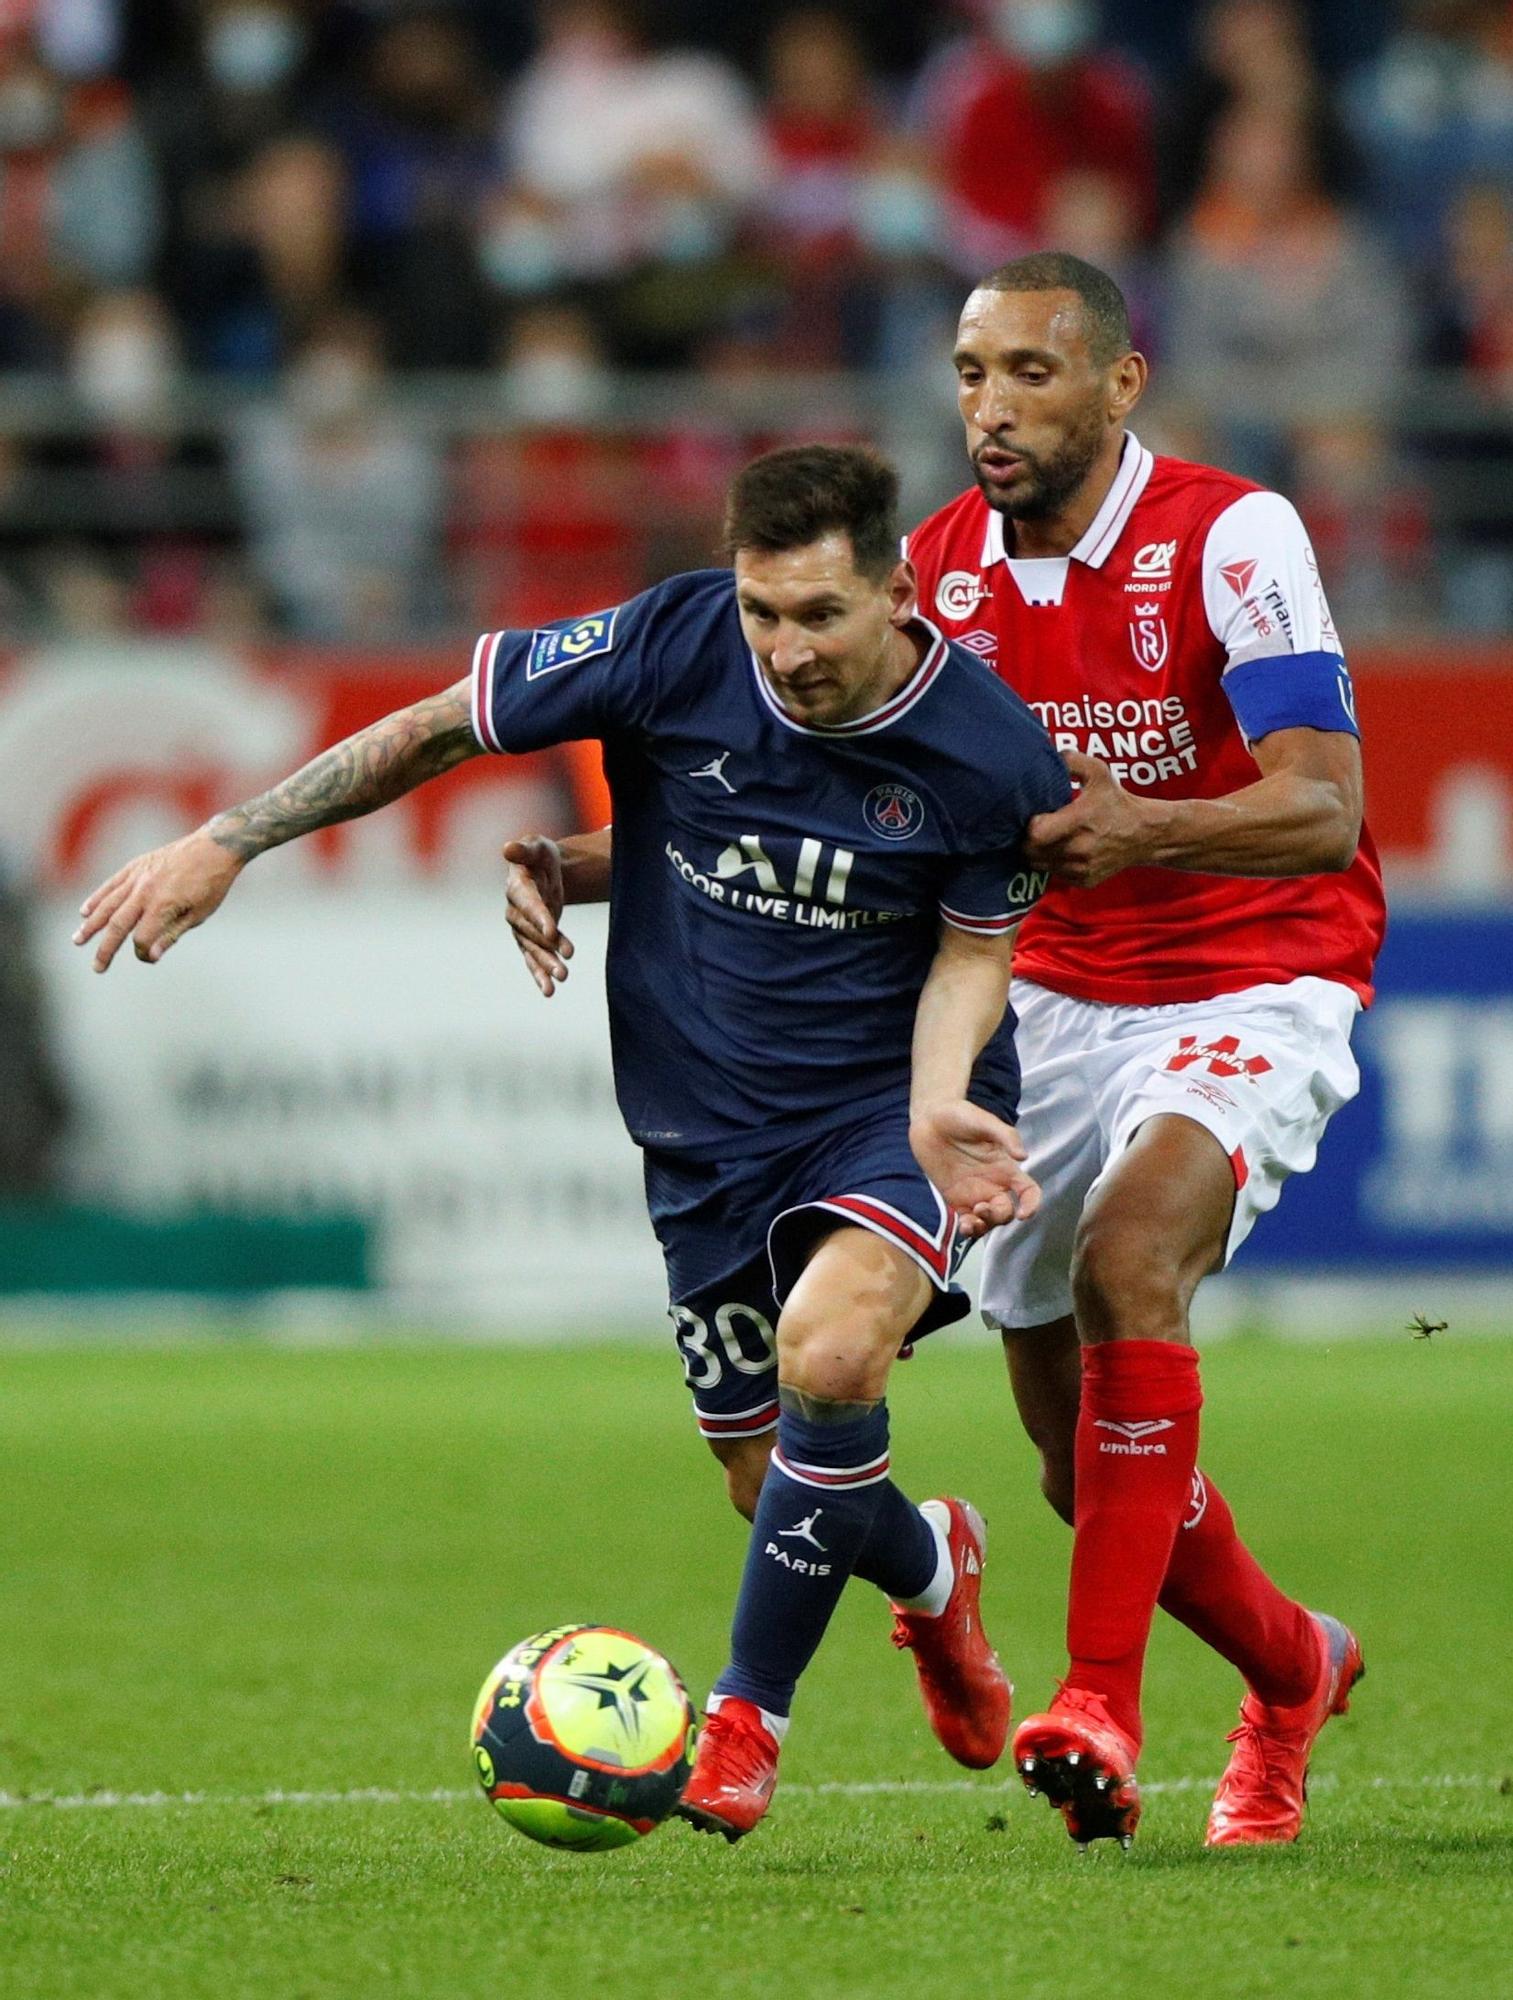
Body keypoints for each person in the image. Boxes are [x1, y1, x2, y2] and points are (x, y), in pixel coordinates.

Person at [506, 254, 1385, 1851]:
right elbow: (815, 809)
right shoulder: (927, 570)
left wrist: (1150, 827)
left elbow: (1325, 809)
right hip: (1033, 999)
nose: (991, 406)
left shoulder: (1230, 534)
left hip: (1246, 982)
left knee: (1134, 1267)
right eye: (973, 372)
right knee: (1075, 1465)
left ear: (1119, 384)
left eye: (1032, 374)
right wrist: (584, 862)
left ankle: (1098, 1704)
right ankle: (1288, 1673)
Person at [73, 443, 1074, 1842]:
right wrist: (229, 842)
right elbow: (433, 731)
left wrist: (929, 1104)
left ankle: (744, 1720)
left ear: (899, 592)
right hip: (702, 1137)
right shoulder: (670, 641)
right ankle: (930, 1573)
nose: (785, 650)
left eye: (820, 617)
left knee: (833, 1359)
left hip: (883, 1113)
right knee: (763, 1477)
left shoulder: (987, 751)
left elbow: (972, 958)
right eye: (763, 612)